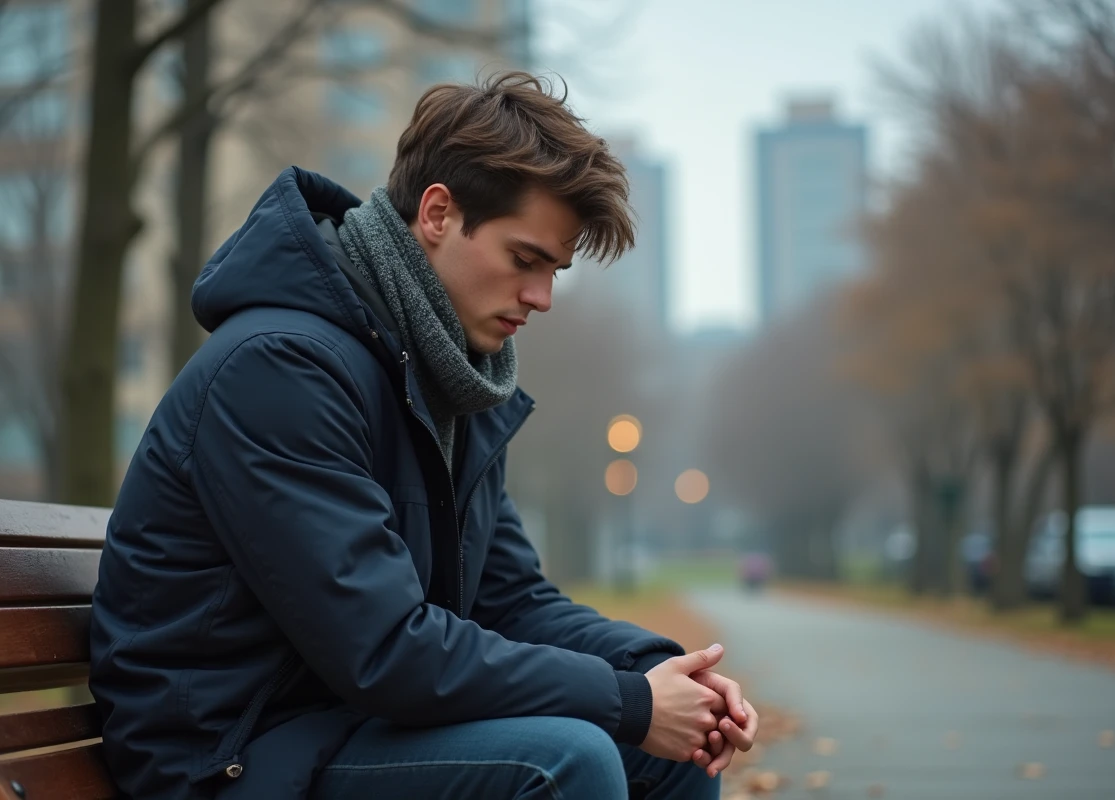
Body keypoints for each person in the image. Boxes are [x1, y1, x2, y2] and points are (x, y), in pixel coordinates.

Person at [89, 71, 758, 800]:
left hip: (341, 727)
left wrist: (664, 674)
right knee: (565, 760)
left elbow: (511, 603)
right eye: (524, 259)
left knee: (667, 755)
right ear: (438, 213)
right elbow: (383, 648)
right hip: (231, 759)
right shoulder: (282, 370)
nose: (542, 298)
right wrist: (627, 702)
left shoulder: (444, 378)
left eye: (555, 271)